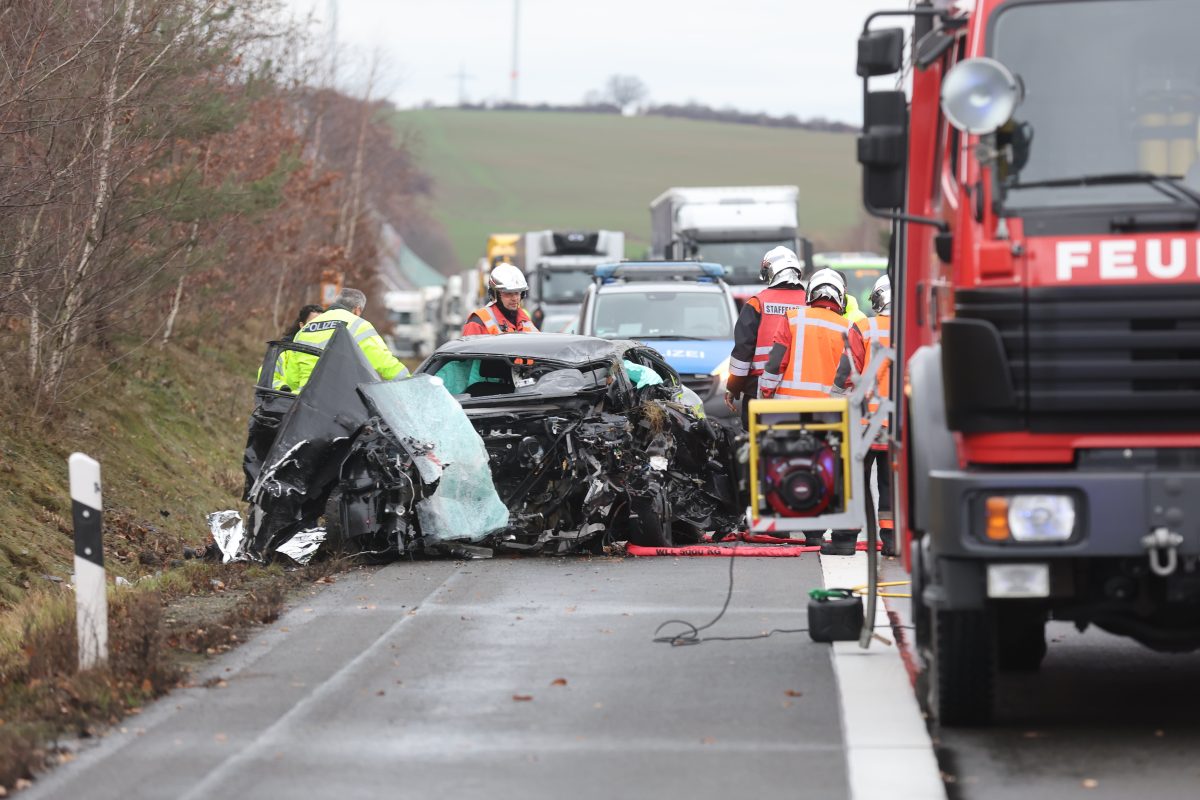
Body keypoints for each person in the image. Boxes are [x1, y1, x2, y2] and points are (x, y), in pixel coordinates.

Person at [759, 268, 855, 554]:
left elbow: (774, 362)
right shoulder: (847, 328)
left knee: (785, 464)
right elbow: (848, 373)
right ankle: (815, 533)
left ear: (811, 293)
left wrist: (765, 392)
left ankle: (779, 525)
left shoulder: (793, 318)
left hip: (789, 409)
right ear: (840, 296)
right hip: (828, 412)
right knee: (821, 468)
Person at [834, 273, 895, 555]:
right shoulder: (910, 328)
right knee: (890, 483)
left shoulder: (864, 327)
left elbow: (847, 371)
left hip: (863, 422)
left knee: (853, 480)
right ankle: (892, 541)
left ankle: (845, 540)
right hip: (896, 423)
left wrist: (835, 394)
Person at [724, 246, 807, 427]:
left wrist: (733, 387)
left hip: (759, 390)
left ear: (770, 271)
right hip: (801, 392)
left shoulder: (757, 302)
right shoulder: (810, 303)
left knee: (758, 445)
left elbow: (743, 352)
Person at [283, 287, 410, 392]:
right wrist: (409, 384)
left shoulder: (305, 329)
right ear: (357, 310)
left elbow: (292, 378)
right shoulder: (359, 325)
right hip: (341, 404)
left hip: (305, 404)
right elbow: (385, 363)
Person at [462, 263, 539, 335]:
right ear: (495, 295)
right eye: (508, 293)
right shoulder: (477, 322)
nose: (515, 298)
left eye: (517, 293)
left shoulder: (524, 319)